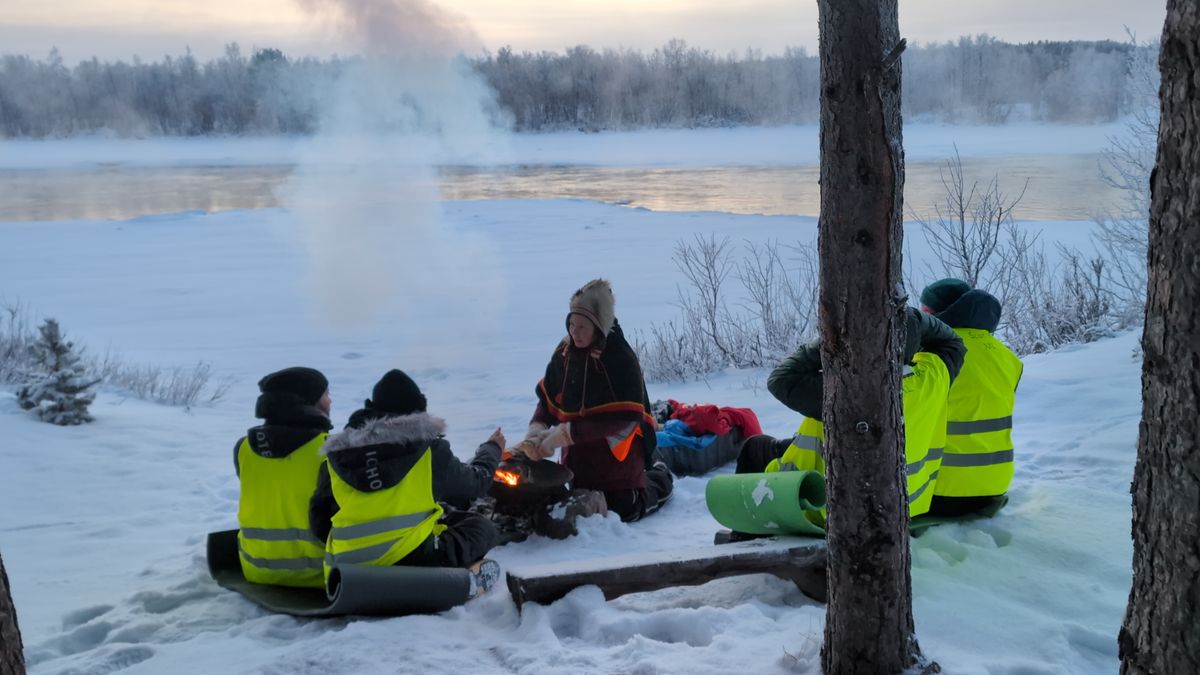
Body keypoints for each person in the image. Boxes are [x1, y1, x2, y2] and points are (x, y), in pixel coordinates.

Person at [739, 307, 966, 521]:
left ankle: (747, 529)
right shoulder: (934, 378)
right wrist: (912, 318)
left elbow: (780, 379)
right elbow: (952, 341)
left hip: (831, 511)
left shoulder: (848, 390)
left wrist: (836, 341)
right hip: (905, 508)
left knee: (755, 447)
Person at [308, 369, 502, 593]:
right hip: (413, 561)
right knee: (480, 527)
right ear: (418, 411)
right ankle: (459, 582)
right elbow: (477, 483)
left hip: (345, 566)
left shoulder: (337, 455)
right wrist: (492, 449)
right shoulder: (429, 451)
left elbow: (319, 520)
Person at [511, 279, 673, 535]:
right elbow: (548, 399)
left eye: (582, 327)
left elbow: (625, 417)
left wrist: (565, 435)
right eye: (571, 325)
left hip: (617, 459)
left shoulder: (620, 358)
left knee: (623, 509)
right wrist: (537, 430)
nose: (575, 333)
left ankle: (660, 475)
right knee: (574, 501)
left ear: (598, 325)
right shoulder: (565, 353)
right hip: (578, 459)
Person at [920, 278, 1023, 516]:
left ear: (938, 312)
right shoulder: (1007, 357)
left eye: (925, 309)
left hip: (938, 492)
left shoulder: (931, 351)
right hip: (995, 488)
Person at [234, 366, 332, 589]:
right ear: (310, 401)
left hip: (255, 570)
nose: (330, 401)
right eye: (326, 394)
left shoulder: (244, 448)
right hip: (319, 573)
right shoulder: (329, 449)